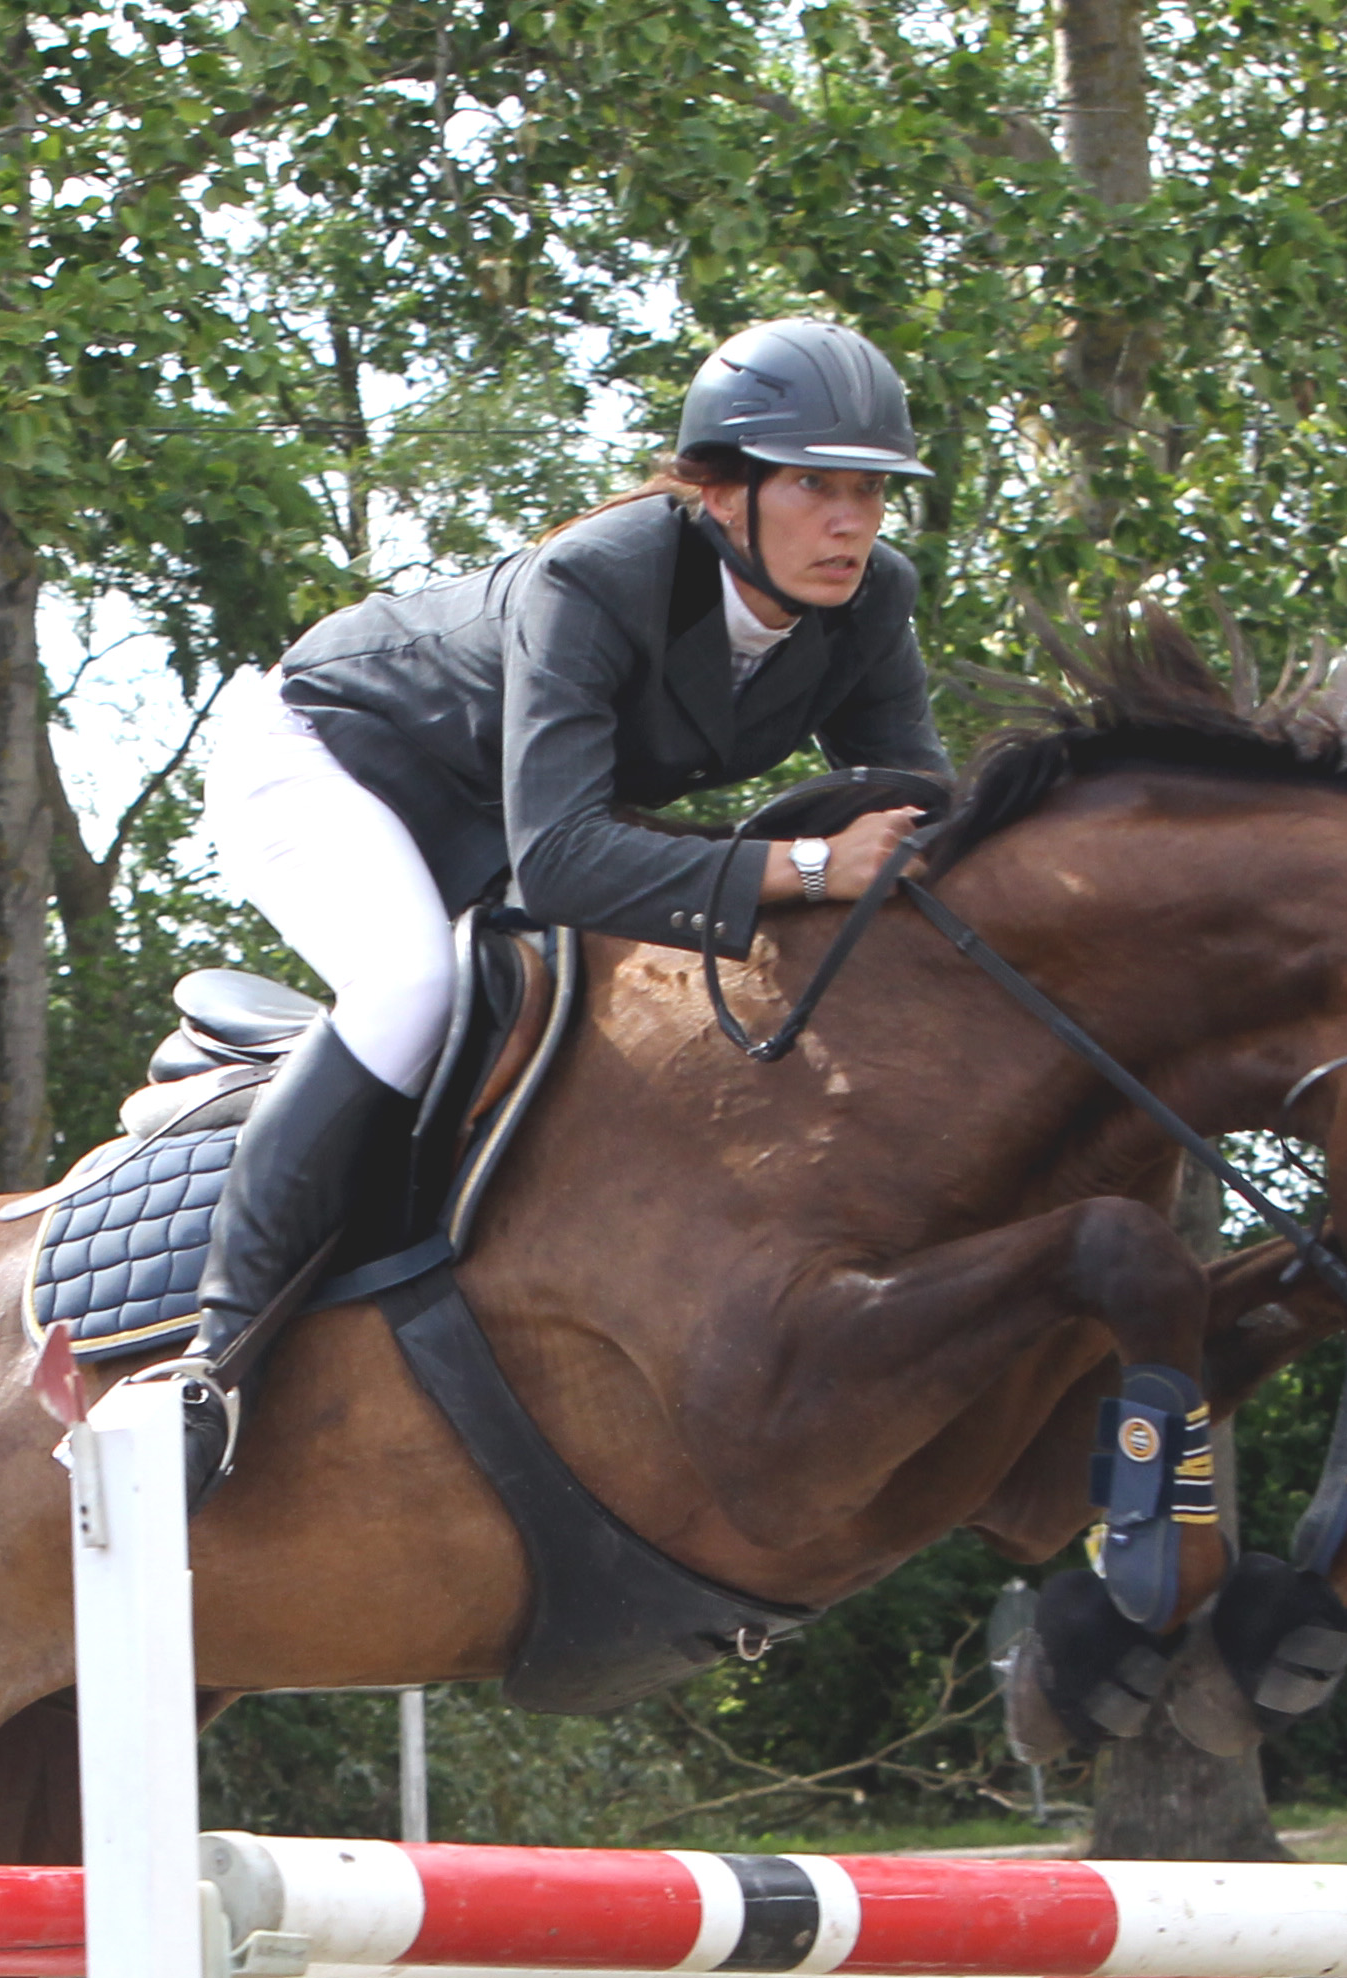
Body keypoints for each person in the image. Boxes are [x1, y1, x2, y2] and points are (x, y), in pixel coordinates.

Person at [170, 316, 957, 1498]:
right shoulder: (596, 577)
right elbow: (561, 866)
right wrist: (801, 870)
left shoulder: (868, 600)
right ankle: (213, 1360)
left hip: (503, 806)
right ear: (717, 492)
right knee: (411, 987)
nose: (848, 523)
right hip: (328, 759)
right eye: (811, 488)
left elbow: (917, 821)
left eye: (869, 491)